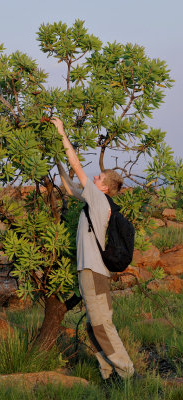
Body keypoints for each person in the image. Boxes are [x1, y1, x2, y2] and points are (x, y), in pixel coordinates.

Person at [51, 117, 134, 381]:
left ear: (104, 187)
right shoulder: (94, 200)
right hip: (92, 273)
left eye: (98, 177)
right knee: (93, 326)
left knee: (101, 325)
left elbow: (77, 165)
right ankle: (109, 375)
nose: (93, 177)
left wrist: (61, 133)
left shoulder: (100, 199)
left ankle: (128, 374)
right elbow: (70, 186)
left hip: (94, 272)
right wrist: (55, 157)